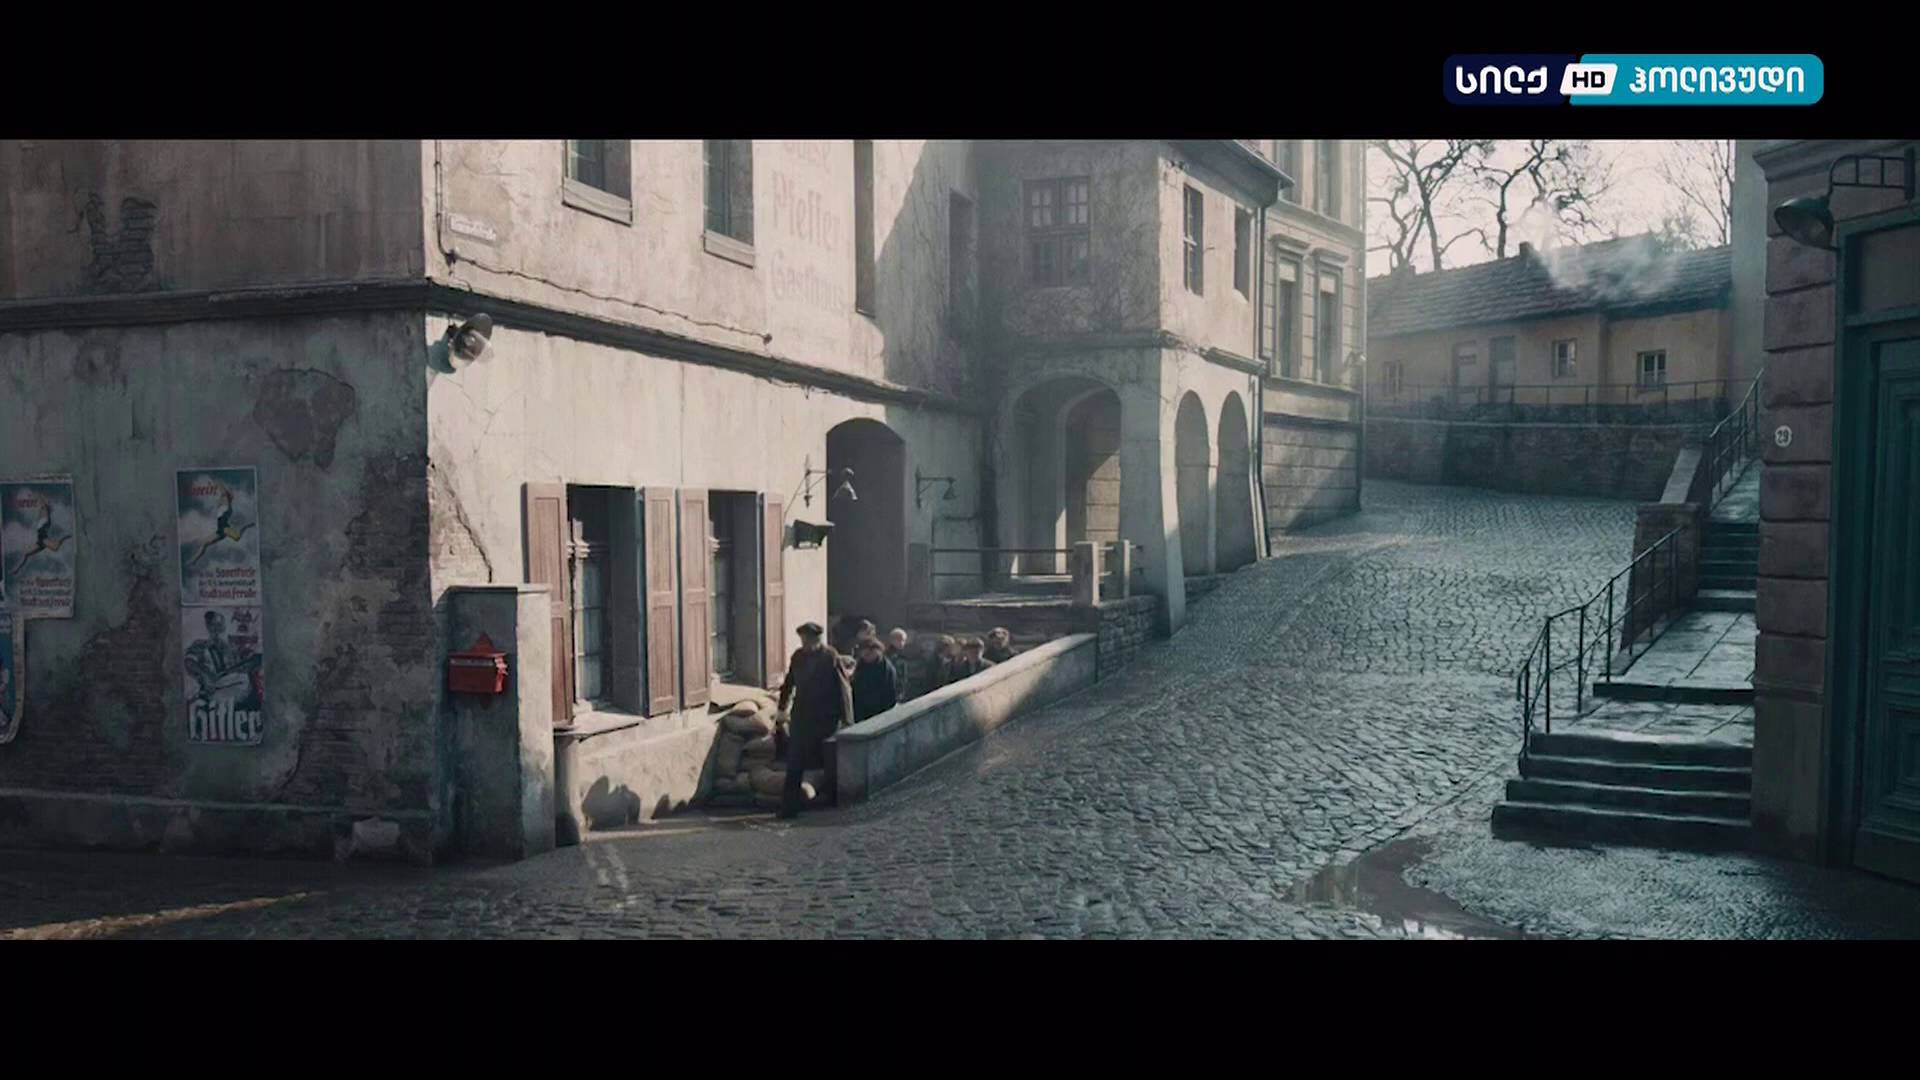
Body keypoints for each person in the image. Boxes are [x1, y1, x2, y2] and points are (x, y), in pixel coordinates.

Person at [775, 622, 852, 819]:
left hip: (826, 718)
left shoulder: (830, 657)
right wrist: (782, 709)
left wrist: (847, 720)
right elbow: (789, 684)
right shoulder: (798, 657)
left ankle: (833, 803)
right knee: (795, 762)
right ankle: (789, 808)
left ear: (818, 640)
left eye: (809, 640)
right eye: (803, 640)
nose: (806, 644)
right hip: (801, 717)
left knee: (828, 761)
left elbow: (844, 689)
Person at [187, 484, 256, 570]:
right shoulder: (223, 504)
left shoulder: (226, 504)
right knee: (204, 543)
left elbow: (225, 494)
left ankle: (247, 525)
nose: (221, 499)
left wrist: (220, 486)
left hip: (224, 527)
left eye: (223, 497)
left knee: (237, 537)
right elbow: (223, 496)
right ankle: (194, 561)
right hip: (220, 530)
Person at [9, 502, 67, 579]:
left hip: (43, 538)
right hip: (40, 541)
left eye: (43, 509)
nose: (41, 511)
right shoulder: (42, 518)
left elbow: (46, 510)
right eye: (42, 509)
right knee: (26, 554)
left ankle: (66, 536)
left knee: (55, 548)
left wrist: (45, 507)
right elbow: (43, 510)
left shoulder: (46, 520)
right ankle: (17, 570)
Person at [849, 636, 899, 723]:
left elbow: (891, 694)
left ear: (876, 651)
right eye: (863, 654)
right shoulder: (861, 665)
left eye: (868, 654)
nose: (866, 657)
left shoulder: (886, 669)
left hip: (879, 713)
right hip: (861, 713)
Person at [884, 628, 912, 702]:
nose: (902, 643)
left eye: (903, 640)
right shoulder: (886, 655)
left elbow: (904, 676)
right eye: (899, 640)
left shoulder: (903, 655)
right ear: (892, 640)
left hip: (899, 691)